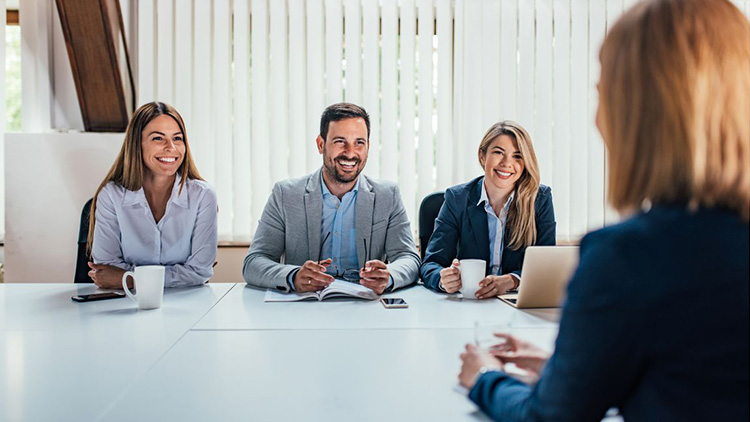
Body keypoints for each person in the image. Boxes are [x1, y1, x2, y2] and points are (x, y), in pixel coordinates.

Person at [458, 0, 750, 420]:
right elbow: (695, 381)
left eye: (603, 92)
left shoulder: (628, 259)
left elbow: (549, 417)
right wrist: (571, 369)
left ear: (637, 112)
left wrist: (486, 376)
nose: (596, 118)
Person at [243, 102, 420, 294]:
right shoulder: (285, 194)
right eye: (340, 141)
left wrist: (389, 276)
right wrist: (293, 276)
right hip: (305, 306)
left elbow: (408, 258)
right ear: (321, 144)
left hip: (365, 306)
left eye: (359, 142)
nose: (350, 153)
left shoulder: (387, 195)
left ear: (368, 146)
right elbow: (254, 262)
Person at [88, 102, 218, 289]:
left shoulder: (203, 196)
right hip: (124, 303)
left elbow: (199, 271)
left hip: (187, 303)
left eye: (177, 138)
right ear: (137, 144)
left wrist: (130, 279)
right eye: (158, 138)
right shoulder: (111, 195)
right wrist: (179, 274)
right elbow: (107, 267)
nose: (171, 147)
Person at [420, 121, 556, 298]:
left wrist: (513, 280)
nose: (507, 163)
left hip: (515, 303)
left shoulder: (540, 199)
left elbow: (547, 267)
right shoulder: (457, 198)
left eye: (517, 156)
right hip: (470, 303)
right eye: (499, 152)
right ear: (482, 156)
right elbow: (430, 263)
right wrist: (443, 279)